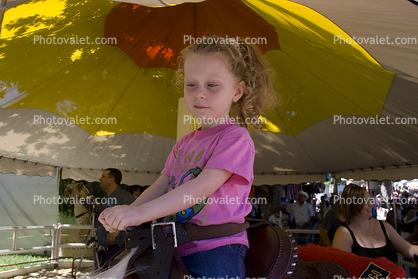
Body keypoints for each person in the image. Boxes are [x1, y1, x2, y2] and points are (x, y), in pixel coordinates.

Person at [97, 37, 276, 278]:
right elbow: (162, 184)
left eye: (212, 85)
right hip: (173, 245)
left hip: (216, 247)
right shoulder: (184, 143)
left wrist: (140, 214)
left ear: (237, 91)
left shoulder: (235, 138)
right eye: (191, 84)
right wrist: (129, 212)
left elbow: (201, 188)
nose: (200, 94)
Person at [332, 184, 418, 264]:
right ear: (353, 205)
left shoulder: (384, 226)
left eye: (370, 200)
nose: (371, 204)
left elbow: (409, 249)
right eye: (366, 201)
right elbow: (341, 269)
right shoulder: (343, 234)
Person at [96, 168, 136, 267]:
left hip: (120, 252)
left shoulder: (126, 197)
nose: (100, 178)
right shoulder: (105, 199)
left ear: (111, 180)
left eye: (103, 176)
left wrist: (116, 231)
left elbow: (133, 219)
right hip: (104, 252)